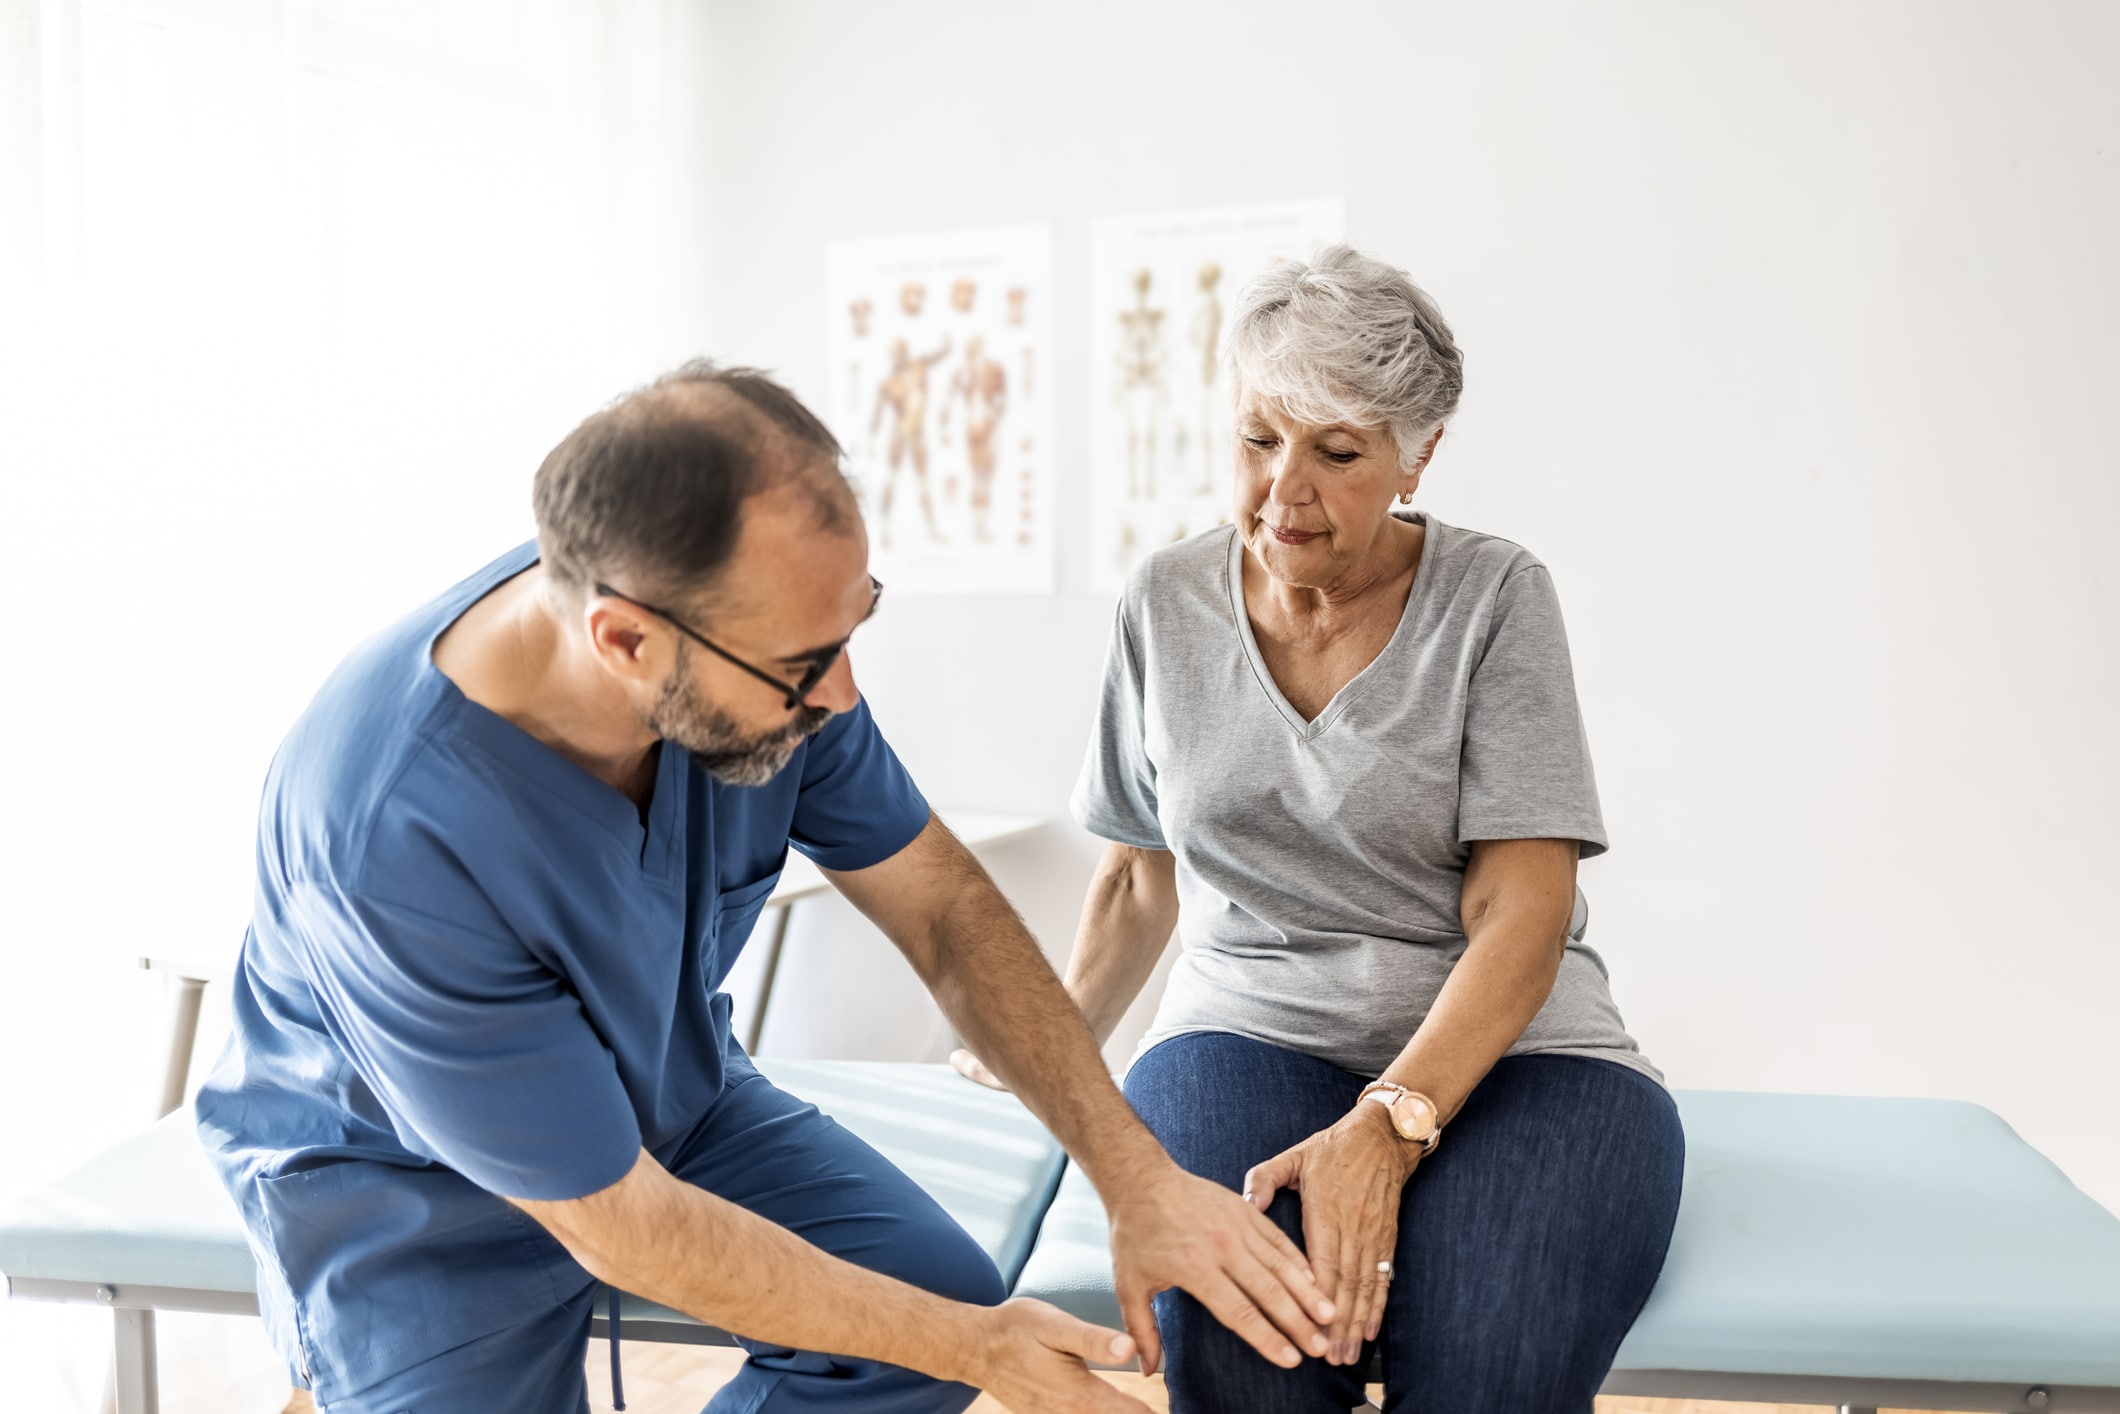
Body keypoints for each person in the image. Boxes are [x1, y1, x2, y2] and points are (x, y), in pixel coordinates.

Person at [196, 363, 1339, 1414]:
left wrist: (1133, 1178)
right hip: (408, 1192)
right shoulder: (390, 826)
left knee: (924, 1298)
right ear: (626, 641)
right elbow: (623, 1224)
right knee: (947, 1328)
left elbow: (939, 907)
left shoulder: (757, 651)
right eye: (804, 666)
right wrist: (980, 1349)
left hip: (667, 1098)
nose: (840, 695)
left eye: (854, 626)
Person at [955, 247, 1685, 1413]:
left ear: (1417, 454)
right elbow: (1139, 881)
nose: (1281, 491)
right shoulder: (1163, 601)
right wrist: (1048, 1049)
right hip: (1242, 1031)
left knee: (1484, 1370)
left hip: (1517, 1059)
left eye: (1335, 453)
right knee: (1251, 1367)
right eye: (1256, 440)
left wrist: (1387, 1127)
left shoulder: (1495, 598)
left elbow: (1521, 906)